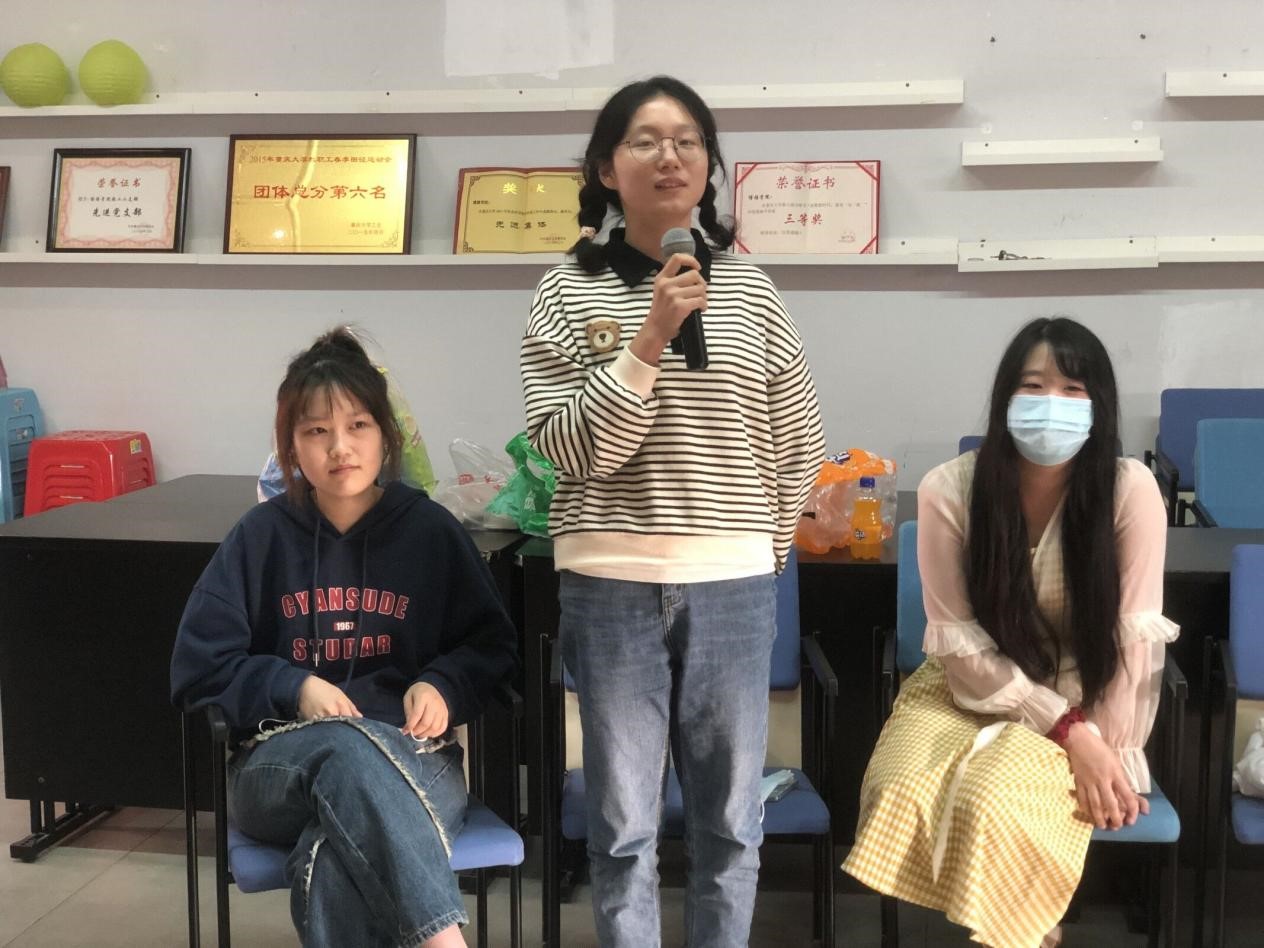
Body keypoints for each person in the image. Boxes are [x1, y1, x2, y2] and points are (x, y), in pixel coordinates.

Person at [519, 76, 826, 946]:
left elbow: (799, 439)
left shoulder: (753, 290)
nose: (670, 156)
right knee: (622, 827)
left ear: (709, 165)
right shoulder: (564, 292)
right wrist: (649, 339)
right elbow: (568, 449)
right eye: (646, 140)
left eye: (689, 140)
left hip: (733, 583)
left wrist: (762, 553)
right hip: (609, 581)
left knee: (730, 822)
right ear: (605, 169)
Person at [170, 328, 518, 948]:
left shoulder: (430, 532)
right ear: (289, 446)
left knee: (334, 849)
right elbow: (198, 667)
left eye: (358, 425)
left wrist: (443, 684)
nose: (340, 448)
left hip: (417, 757)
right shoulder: (259, 537)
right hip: (279, 764)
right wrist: (292, 685)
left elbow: (492, 647)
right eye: (316, 431)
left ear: (386, 435)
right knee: (346, 749)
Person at [842, 317, 1179, 948]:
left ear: (1099, 406)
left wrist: (1103, 746)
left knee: (995, 799)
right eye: (1034, 386)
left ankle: (1031, 933)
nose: (1053, 403)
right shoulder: (950, 489)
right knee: (898, 788)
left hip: (1088, 696)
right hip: (967, 689)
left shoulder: (1129, 490)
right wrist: (1063, 728)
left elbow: (1134, 642)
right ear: (1004, 399)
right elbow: (961, 646)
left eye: (1073, 389)